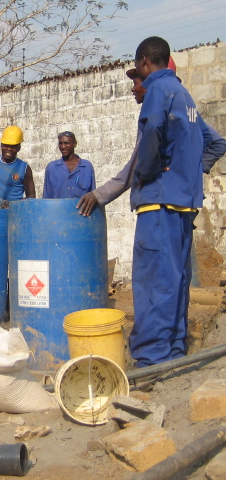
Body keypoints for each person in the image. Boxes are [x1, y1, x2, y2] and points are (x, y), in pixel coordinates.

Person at [128, 36, 215, 367]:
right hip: (183, 205)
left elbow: (152, 133)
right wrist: (188, 168)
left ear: (145, 63)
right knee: (176, 282)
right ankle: (175, 352)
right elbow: (216, 143)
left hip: (158, 205)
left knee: (153, 284)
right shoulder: (185, 96)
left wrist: (147, 173)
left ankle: (153, 360)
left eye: (138, 70)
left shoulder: (158, 90)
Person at [77, 59, 226, 217]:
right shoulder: (184, 111)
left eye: (136, 82)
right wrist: (189, 169)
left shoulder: (155, 118)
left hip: (161, 201)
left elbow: (137, 166)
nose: (133, 89)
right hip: (186, 199)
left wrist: (99, 195)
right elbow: (217, 143)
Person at [43, 131, 96, 199]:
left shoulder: (87, 166)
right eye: (60, 143)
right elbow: (47, 196)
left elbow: (93, 194)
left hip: (81, 209)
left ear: (74, 144)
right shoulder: (51, 168)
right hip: (59, 209)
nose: (63, 146)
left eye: (66, 143)